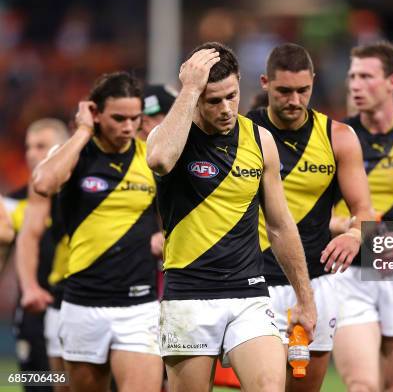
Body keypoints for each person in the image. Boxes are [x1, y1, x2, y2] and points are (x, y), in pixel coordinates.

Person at [146, 42, 317, 392]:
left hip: (249, 293)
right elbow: (160, 160)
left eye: (232, 96)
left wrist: (305, 298)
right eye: (213, 100)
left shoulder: (260, 139)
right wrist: (190, 88)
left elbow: (280, 224)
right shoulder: (172, 138)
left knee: (271, 386)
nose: (226, 109)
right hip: (189, 296)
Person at [247, 43, 374, 391]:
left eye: (303, 90)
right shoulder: (244, 133)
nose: (294, 99)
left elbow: (363, 210)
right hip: (255, 283)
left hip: (316, 283)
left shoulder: (338, 138)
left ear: (313, 83)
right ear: (265, 83)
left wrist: (352, 234)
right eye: (284, 90)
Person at [33, 72, 163, 392]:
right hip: (83, 303)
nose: (128, 127)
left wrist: (167, 237)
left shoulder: (150, 158)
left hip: (138, 306)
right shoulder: (77, 156)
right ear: (96, 112)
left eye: (135, 118)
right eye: (118, 118)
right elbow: (43, 183)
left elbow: (180, 213)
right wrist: (82, 131)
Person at [331, 41, 393, 391]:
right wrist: (347, 226)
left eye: (366, 76)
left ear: (392, 82)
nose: (355, 84)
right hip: (350, 273)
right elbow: (310, 210)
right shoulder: (336, 136)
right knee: (362, 384)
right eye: (352, 76)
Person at [14, 119, 70, 392]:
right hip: (32, 312)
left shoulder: (79, 194)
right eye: (28, 146)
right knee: (39, 385)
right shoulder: (11, 204)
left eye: (41, 146)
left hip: (72, 303)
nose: (32, 153)